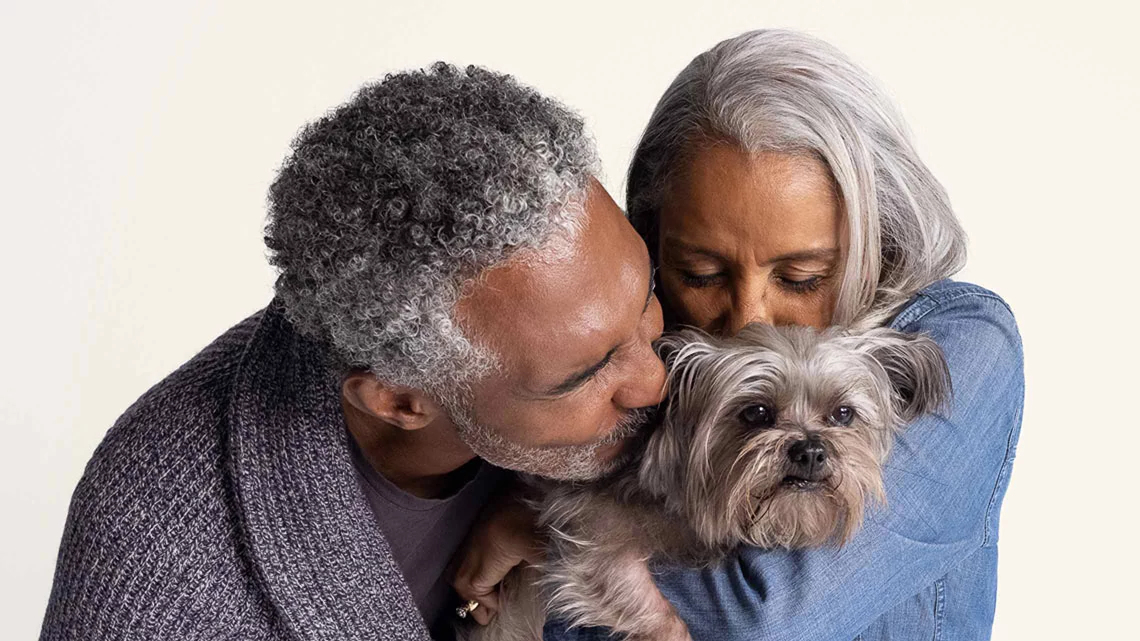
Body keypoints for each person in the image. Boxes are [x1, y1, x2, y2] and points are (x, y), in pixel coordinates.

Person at [38, 63, 667, 641]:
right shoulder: (158, 551)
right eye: (584, 374)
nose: (656, 380)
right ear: (399, 399)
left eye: (646, 299)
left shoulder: (596, 351)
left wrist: (578, 527)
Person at [462, 30, 1024, 640]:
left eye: (801, 277)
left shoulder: (963, 343)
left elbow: (769, 617)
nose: (749, 317)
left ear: (876, 242)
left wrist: (552, 537)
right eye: (701, 274)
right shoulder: (641, 365)